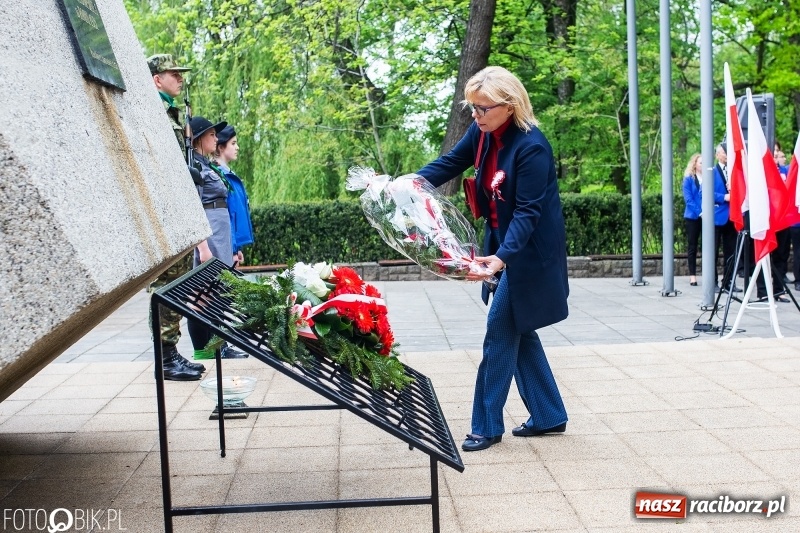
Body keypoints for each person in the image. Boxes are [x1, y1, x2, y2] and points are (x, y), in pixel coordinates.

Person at [415, 66, 569, 452]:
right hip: (501, 247)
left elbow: (528, 213)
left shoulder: (532, 147)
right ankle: (549, 414)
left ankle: (485, 426)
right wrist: (407, 184)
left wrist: (501, 258)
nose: (476, 115)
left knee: (500, 331)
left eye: (483, 108)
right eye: (472, 107)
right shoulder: (482, 132)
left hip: (526, 254)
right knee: (519, 330)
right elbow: (451, 162)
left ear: (509, 106)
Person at [146, 54, 205, 381]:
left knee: (177, 280)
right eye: (173, 74)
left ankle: (170, 353)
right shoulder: (152, 110)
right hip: (163, 211)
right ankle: (165, 357)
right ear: (157, 79)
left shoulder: (170, 111)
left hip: (175, 209)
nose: (180, 79)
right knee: (166, 284)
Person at [187, 116, 248, 359]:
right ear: (199, 139)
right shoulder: (195, 166)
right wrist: (202, 247)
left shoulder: (208, 165)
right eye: (211, 134)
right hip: (210, 234)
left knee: (219, 290)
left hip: (221, 233)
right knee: (203, 294)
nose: (216, 138)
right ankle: (204, 350)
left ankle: (218, 345)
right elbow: (193, 208)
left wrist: (233, 245)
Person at [214, 125, 254, 266]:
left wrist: (237, 248)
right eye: (233, 143)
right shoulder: (219, 176)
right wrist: (232, 250)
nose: (237, 147)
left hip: (232, 246)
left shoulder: (229, 175)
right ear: (220, 147)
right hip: (226, 246)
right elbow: (226, 215)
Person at [712, 144, 739, 293]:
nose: (727, 154)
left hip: (732, 217)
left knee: (731, 252)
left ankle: (728, 282)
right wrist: (724, 197)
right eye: (724, 152)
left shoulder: (735, 170)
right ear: (717, 155)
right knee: (713, 252)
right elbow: (706, 192)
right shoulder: (712, 172)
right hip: (717, 217)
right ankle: (713, 283)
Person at [682, 154, 703, 286]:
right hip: (693, 216)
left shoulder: (709, 177)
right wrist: (700, 212)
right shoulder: (688, 179)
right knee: (692, 246)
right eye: (701, 163)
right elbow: (688, 199)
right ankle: (692, 276)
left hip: (708, 216)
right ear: (695, 164)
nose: (703, 165)